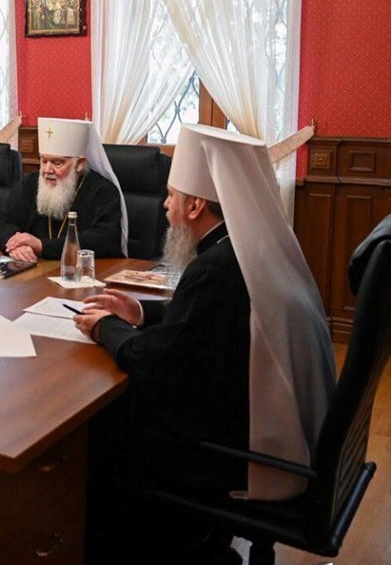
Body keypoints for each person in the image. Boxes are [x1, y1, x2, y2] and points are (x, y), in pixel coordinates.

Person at [72, 125, 335, 563]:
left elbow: (156, 361)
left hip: (231, 452)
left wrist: (105, 329)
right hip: (262, 425)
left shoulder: (215, 268)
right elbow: (204, 324)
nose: (165, 206)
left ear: (195, 206)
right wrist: (141, 313)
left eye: (171, 196)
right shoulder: (247, 249)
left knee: (101, 428)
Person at [0, 117, 127, 260]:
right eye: (43, 160)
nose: (47, 170)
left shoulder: (103, 191)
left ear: (80, 164)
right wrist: (16, 245)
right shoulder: (29, 184)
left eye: (57, 162)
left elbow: (105, 240)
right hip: (34, 269)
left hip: (80, 270)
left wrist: (41, 246)